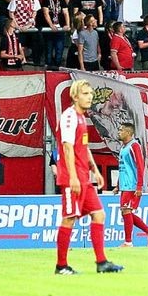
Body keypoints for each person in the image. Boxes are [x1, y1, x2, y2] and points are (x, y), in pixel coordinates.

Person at [54, 80, 123, 274]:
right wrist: (73, 177)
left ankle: (102, 262)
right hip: (72, 178)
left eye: (90, 93)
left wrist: (95, 170)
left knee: (99, 214)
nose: (90, 97)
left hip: (84, 177)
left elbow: (82, 147)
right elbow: (67, 148)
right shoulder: (69, 116)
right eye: (85, 93)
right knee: (69, 218)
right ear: (75, 96)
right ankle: (61, 266)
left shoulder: (82, 117)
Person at [116, 121, 148, 247]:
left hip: (132, 185)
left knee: (126, 210)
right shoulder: (123, 148)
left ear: (128, 132)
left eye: (121, 130)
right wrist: (118, 184)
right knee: (126, 212)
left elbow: (140, 166)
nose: (119, 132)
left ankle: (128, 242)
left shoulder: (134, 146)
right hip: (125, 185)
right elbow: (123, 167)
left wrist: (139, 186)